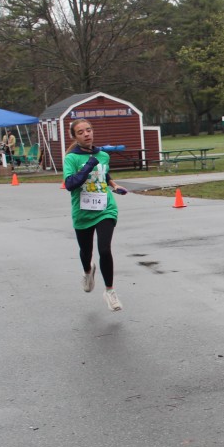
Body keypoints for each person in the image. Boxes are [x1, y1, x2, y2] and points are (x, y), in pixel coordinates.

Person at [62, 119, 128, 311]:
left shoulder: (103, 155)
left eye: (88, 130)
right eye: (81, 132)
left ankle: (110, 292)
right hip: (83, 212)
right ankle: (88, 271)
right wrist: (87, 166)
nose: (86, 134)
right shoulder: (71, 159)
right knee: (86, 251)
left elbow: (104, 174)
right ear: (74, 136)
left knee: (105, 250)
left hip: (105, 208)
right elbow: (70, 184)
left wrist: (114, 186)